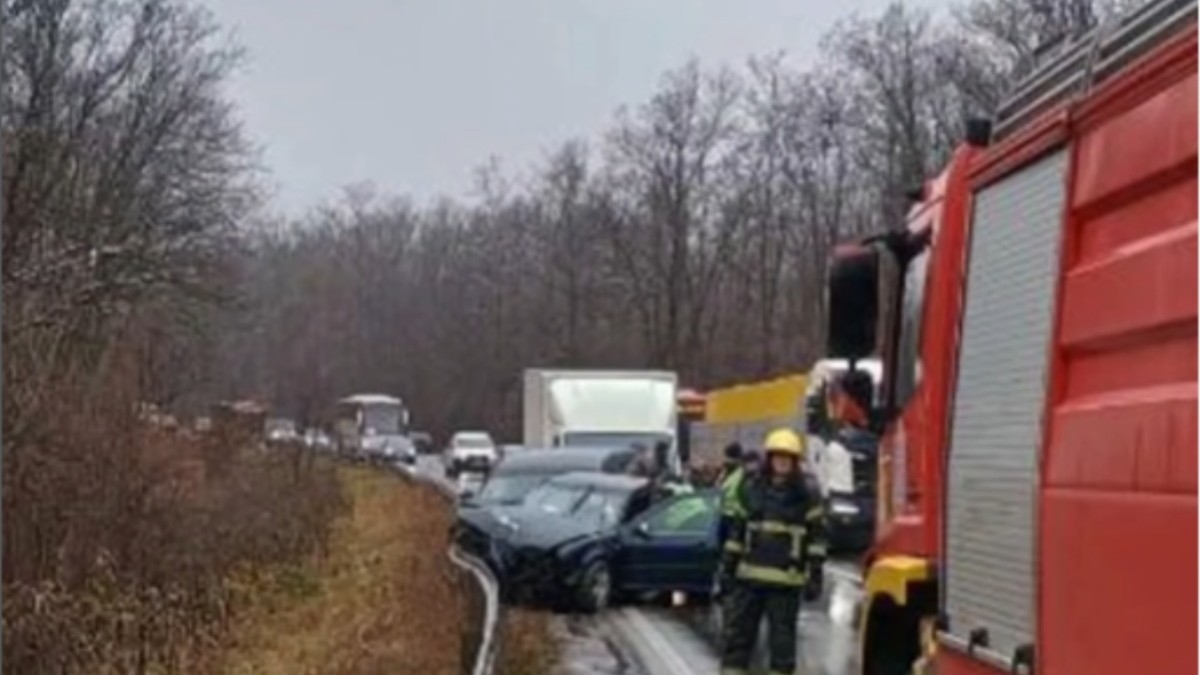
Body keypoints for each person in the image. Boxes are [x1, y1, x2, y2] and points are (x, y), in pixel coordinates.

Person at [718, 428, 827, 675]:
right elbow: (737, 533)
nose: (782, 463)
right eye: (778, 457)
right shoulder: (751, 488)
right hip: (749, 580)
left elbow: (817, 538)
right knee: (737, 642)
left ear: (795, 462)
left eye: (787, 458)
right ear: (769, 459)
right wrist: (727, 569)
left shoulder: (807, 494)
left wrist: (815, 574)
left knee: (782, 647)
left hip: (786, 582)